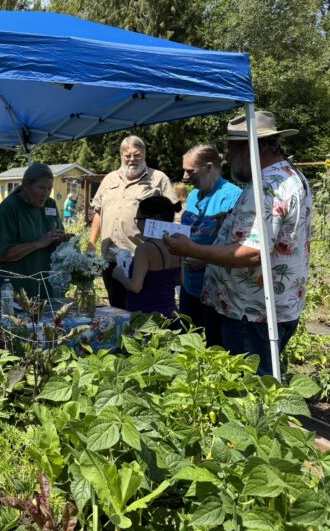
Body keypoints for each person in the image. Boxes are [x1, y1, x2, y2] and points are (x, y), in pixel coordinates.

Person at [164, 111, 312, 376]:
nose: (226, 158)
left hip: (250, 312)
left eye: (230, 150)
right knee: (251, 386)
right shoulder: (290, 176)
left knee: (246, 393)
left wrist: (191, 249)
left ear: (249, 147)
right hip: (271, 307)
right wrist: (230, 221)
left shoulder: (268, 187)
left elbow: (251, 253)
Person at [87, 136, 175, 309]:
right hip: (110, 258)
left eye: (137, 154)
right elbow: (98, 212)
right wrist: (91, 242)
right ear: (121, 156)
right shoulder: (109, 179)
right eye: (128, 156)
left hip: (141, 258)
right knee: (116, 307)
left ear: (144, 153)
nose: (132, 159)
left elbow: (169, 217)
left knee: (141, 311)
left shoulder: (158, 179)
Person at [178, 144, 242, 337]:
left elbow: (238, 245)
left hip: (217, 288)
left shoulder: (231, 196)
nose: (185, 176)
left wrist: (204, 258)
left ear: (209, 167)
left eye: (190, 171)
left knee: (215, 344)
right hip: (190, 284)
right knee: (188, 340)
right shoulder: (192, 196)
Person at [0, 163, 68, 301]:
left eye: (49, 189)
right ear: (25, 186)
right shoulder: (8, 209)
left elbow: (54, 236)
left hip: (42, 286)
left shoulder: (50, 205)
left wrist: (60, 240)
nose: (45, 194)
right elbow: (2, 253)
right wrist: (39, 243)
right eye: (41, 188)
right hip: (13, 290)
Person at [112, 195, 182, 317]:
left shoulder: (145, 249)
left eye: (139, 218)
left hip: (146, 317)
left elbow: (135, 286)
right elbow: (181, 280)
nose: (137, 224)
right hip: (171, 313)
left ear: (153, 219)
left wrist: (119, 276)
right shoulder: (177, 246)